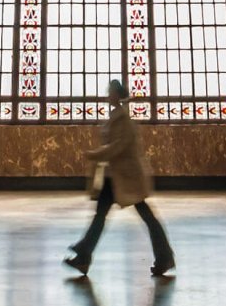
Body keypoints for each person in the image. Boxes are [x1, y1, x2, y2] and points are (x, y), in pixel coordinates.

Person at [65, 79, 175, 277]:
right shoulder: (118, 115)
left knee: (142, 216)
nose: (108, 95)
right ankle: (83, 255)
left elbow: (118, 146)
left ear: (116, 94)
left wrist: (95, 154)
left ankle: (164, 256)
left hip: (125, 177)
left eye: (110, 92)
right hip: (116, 176)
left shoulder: (122, 118)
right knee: (106, 215)